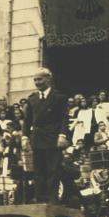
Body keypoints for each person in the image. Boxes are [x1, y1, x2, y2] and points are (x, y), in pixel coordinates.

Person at [22, 68, 68, 204]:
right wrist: (25, 137)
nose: (37, 82)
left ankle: (53, 200)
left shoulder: (60, 97)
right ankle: (40, 199)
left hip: (53, 138)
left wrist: (62, 135)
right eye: (35, 80)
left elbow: (64, 118)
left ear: (48, 79)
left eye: (40, 79)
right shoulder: (32, 99)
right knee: (38, 171)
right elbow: (27, 120)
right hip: (37, 139)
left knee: (53, 170)